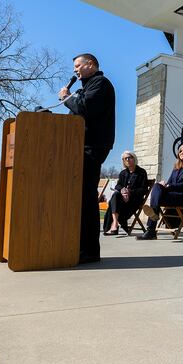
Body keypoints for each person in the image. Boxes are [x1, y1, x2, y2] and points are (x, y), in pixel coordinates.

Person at [58, 53, 115, 264]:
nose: (75, 70)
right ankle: (79, 245)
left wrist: (67, 97)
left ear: (90, 65)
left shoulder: (100, 84)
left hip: (92, 147)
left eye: (78, 65)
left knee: (86, 197)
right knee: (80, 196)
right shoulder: (87, 87)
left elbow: (85, 108)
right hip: (79, 146)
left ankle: (89, 251)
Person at [138, 143, 183, 240]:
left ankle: (151, 228)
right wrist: (164, 185)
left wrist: (169, 186)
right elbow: (169, 183)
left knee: (158, 194)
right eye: (180, 151)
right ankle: (153, 218)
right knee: (157, 185)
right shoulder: (176, 168)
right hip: (172, 196)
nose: (182, 152)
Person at [103, 151, 148, 236]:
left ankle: (113, 226)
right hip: (121, 200)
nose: (127, 160)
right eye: (125, 159)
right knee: (116, 194)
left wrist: (129, 193)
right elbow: (118, 185)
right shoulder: (123, 173)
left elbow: (144, 189)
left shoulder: (141, 172)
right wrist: (123, 190)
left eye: (129, 157)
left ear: (134, 158)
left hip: (134, 200)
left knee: (114, 200)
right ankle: (115, 223)